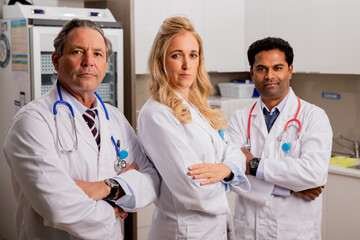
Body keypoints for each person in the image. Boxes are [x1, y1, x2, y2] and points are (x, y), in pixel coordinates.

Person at [2, 19, 159, 240]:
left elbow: (151, 181)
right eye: (78, 51)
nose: (88, 61)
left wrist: (107, 187)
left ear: (106, 64)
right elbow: (58, 206)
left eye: (98, 54)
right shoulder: (31, 122)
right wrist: (115, 206)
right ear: (56, 61)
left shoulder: (114, 118)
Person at [137, 16, 250, 240]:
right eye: (176, 55)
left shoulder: (197, 108)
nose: (187, 65)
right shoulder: (156, 115)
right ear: (161, 60)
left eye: (193, 55)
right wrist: (230, 173)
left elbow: (235, 153)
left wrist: (225, 170)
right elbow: (193, 189)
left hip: (211, 229)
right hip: (183, 231)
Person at [226, 37, 333, 239]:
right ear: (252, 72)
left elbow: (314, 174)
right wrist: (289, 188)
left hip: (294, 232)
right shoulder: (239, 119)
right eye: (261, 69)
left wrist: (253, 165)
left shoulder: (314, 116)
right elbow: (231, 175)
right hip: (249, 231)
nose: (269, 75)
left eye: (277, 68)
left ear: (290, 71)